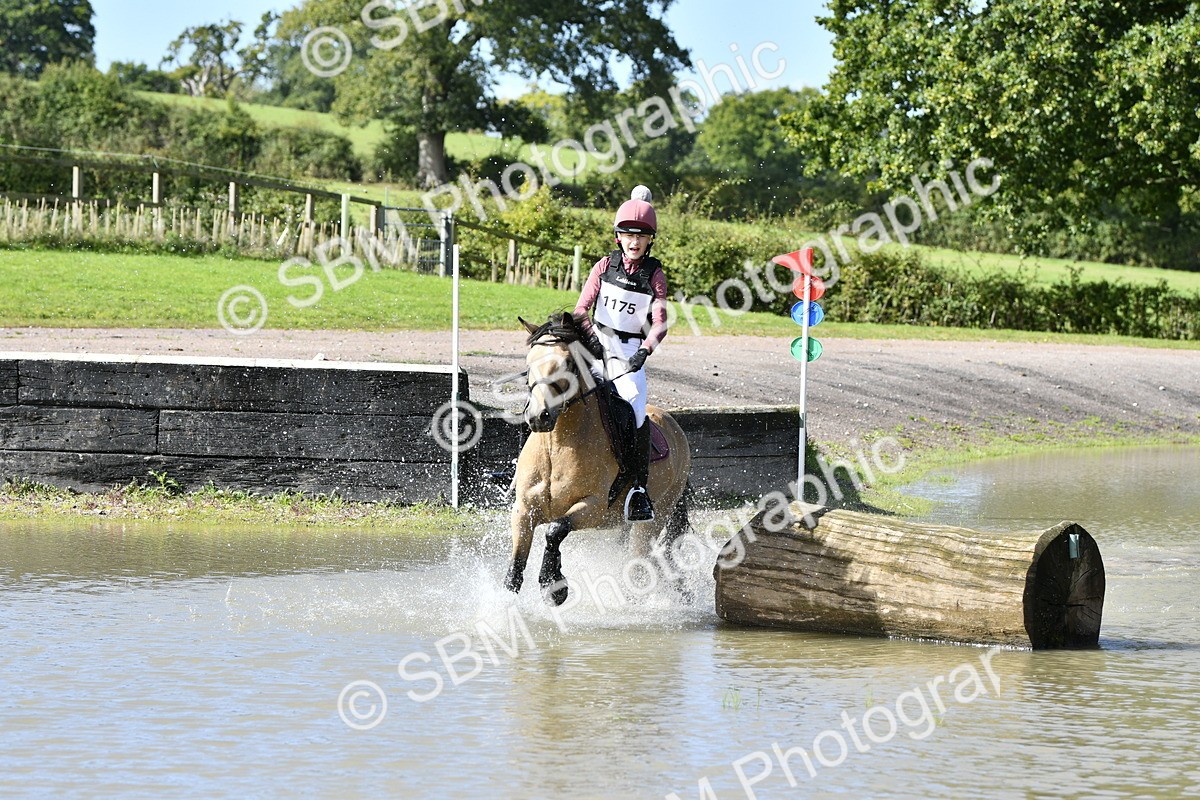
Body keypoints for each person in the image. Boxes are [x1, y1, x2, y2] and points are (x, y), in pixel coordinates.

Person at [573, 185, 669, 521]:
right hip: (595, 343)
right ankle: (521, 468)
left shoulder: (654, 275)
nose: (634, 241)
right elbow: (580, 311)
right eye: (628, 234)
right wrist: (593, 342)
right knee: (550, 385)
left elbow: (659, 325)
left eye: (641, 236)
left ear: (649, 240)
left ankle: (638, 491)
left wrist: (643, 353)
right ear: (618, 237)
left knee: (636, 409)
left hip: (629, 353)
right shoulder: (603, 266)